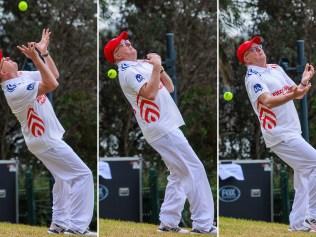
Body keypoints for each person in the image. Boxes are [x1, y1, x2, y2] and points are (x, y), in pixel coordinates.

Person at [103, 31, 217, 235]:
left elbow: (170, 87)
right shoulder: (127, 71)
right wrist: (155, 66)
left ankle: (168, 222)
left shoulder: (141, 65)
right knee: (194, 169)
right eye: (124, 45)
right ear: (117, 56)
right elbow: (149, 92)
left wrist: (159, 67)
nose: (129, 44)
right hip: (161, 127)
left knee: (178, 174)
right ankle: (203, 225)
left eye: (129, 41)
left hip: (166, 125)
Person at [0, 29, 96, 236]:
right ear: (2, 73)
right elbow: (52, 84)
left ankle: (59, 224)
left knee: (62, 178)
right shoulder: (12, 88)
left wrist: (43, 54)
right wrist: (35, 57)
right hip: (45, 140)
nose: (6, 57)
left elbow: (54, 74)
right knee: (83, 175)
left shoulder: (21, 75)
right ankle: (77, 227)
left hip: (43, 139)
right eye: (2, 60)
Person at [238, 36, 316, 232]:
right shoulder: (253, 78)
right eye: (253, 49)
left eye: (259, 47)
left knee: (305, 177)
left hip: (292, 131)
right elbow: (268, 101)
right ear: (246, 59)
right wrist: (294, 93)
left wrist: (304, 82)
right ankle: (312, 218)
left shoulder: (275, 68)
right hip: (279, 134)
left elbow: (297, 93)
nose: (259, 50)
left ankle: (298, 224)